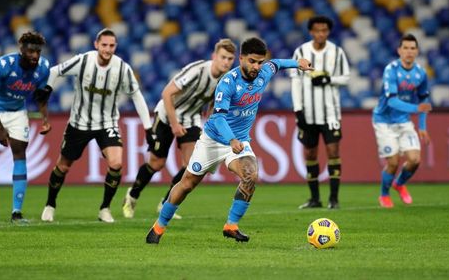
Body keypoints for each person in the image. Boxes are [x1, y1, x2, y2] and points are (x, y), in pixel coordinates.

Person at [145, 37, 313, 244]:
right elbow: (217, 117)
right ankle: (158, 226)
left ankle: (231, 225)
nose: (257, 67)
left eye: (260, 62)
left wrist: (298, 63)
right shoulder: (228, 82)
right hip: (214, 140)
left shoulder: (264, 72)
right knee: (187, 183)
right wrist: (231, 139)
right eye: (252, 61)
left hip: (239, 141)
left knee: (251, 175)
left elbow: (277, 63)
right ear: (241, 58)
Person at [40, 28, 153, 223]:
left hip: (107, 122)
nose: (108, 49)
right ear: (96, 45)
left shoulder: (122, 68)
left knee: (116, 164)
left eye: (111, 46)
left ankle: (104, 209)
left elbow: (136, 95)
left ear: (115, 46)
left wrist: (148, 127)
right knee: (63, 166)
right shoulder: (84, 60)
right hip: (79, 123)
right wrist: (48, 88)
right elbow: (54, 71)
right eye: (104, 45)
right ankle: (50, 204)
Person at [122, 39, 236, 220]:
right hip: (167, 115)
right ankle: (132, 196)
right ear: (214, 56)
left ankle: (166, 203)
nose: (226, 62)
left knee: (191, 164)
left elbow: (215, 104)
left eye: (230, 59)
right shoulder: (197, 70)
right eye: (223, 57)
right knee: (156, 163)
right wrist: (174, 124)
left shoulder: (226, 79)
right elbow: (167, 93)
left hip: (191, 119)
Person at [0, 31, 51, 224]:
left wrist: (45, 119)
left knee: (20, 153)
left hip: (16, 112)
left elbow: (40, 96)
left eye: (38, 51)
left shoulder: (44, 67)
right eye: (31, 51)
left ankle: (16, 213)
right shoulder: (4, 64)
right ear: (21, 50)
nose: (35, 56)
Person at [290, 15, 350, 209]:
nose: (321, 33)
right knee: (310, 153)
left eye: (324, 30)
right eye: (317, 30)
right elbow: (295, 81)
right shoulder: (301, 51)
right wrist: (298, 109)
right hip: (307, 113)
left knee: (333, 151)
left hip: (330, 113)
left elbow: (346, 78)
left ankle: (334, 199)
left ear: (328, 31)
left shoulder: (337, 52)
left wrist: (328, 79)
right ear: (311, 32)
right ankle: (315, 199)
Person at [373, 33, 431, 208]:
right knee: (393, 161)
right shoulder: (391, 70)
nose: (409, 52)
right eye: (405, 48)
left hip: (404, 121)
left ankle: (399, 184)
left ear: (417, 51)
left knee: (415, 160)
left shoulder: (421, 73)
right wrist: (415, 109)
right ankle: (384, 195)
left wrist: (422, 126)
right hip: (384, 120)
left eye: (413, 48)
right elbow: (391, 100)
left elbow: (424, 100)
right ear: (399, 50)